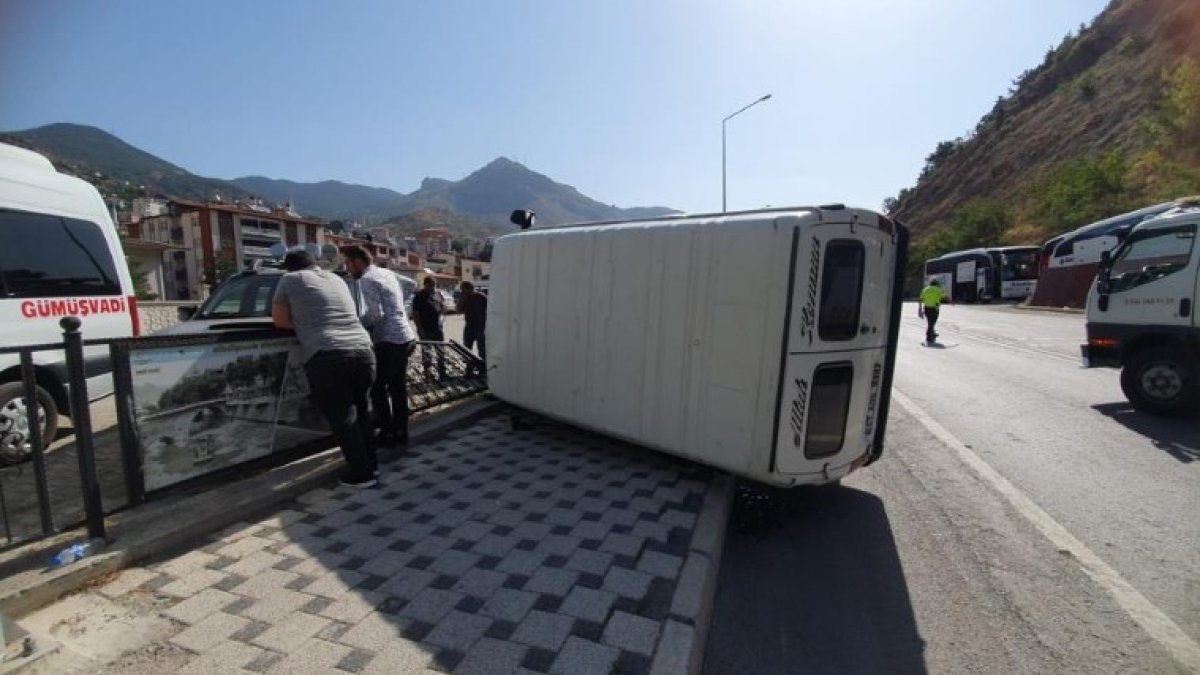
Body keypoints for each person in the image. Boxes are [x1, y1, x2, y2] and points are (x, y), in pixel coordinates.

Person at [272, 250, 379, 488]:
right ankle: (371, 463)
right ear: (314, 264)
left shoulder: (290, 280)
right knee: (362, 411)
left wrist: (304, 326)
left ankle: (362, 475)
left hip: (328, 354)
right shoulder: (336, 278)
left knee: (344, 419)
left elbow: (279, 320)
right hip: (364, 351)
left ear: (289, 268)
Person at [343, 246, 417, 446]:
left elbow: (376, 315)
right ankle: (401, 431)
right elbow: (411, 284)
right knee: (397, 387)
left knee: (377, 388)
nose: (347, 269)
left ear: (358, 261)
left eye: (348, 263)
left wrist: (356, 324)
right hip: (405, 335)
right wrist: (398, 307)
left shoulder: (366, 280)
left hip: (388, 340)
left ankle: (387, 432)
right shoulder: (385, 272)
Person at [458, 281, 487, 368]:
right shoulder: (464, 298)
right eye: (462, 290)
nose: (463, 292)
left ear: (470, 288)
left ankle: (482, 369)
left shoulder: (481, 297)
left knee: (482, 351)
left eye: (464, 290)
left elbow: (489, 310)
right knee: (467, 350)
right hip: (469, 328)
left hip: (480, 328)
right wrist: (462, 300)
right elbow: (458, 311)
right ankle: (469, 369)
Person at [411, 277, 445, 341]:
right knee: (427, 349)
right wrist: (420, 329)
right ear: (425, 285)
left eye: (434, 285)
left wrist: (441, 319)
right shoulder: (419, 296)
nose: (432, 287)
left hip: (437, 329)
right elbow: (415, 314)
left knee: (441, 349)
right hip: (425, 329)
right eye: (430, 285)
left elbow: (442, 309)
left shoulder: (437, 294)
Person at [918, 277, 949, 344]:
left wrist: (919, 309)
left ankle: (933, 333)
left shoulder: (925, 289)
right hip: (934, 309)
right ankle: (929, 337)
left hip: (926, 308)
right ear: (936, 283)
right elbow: (945, 297)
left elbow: (920, 299)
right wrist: (950, 301)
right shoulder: (938, 289)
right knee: (932, 322)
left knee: (930, 321)